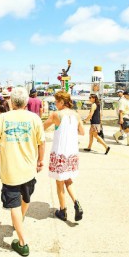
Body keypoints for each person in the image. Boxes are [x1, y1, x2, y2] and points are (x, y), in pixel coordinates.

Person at [0, 87, 46, 257]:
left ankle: (22, 243)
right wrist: (40, 160)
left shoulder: (2, 118)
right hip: (29, 168)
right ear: (27, 102)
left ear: (11, 102)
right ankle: (19, 221)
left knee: (13, 203)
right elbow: (41, 143)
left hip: (10, 170)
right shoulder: (35, 119)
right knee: (26, 197)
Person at [43, 91, 85, 221]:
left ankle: (63, 210)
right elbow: (82, 132)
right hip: (72, 153)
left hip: (60, 152)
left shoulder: (56, 114)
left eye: (56, 101)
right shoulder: (76, 115)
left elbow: (42, 127)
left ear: (62, 102)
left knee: (59, 183)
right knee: (68, 180)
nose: (55, 104)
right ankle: (77, 203)